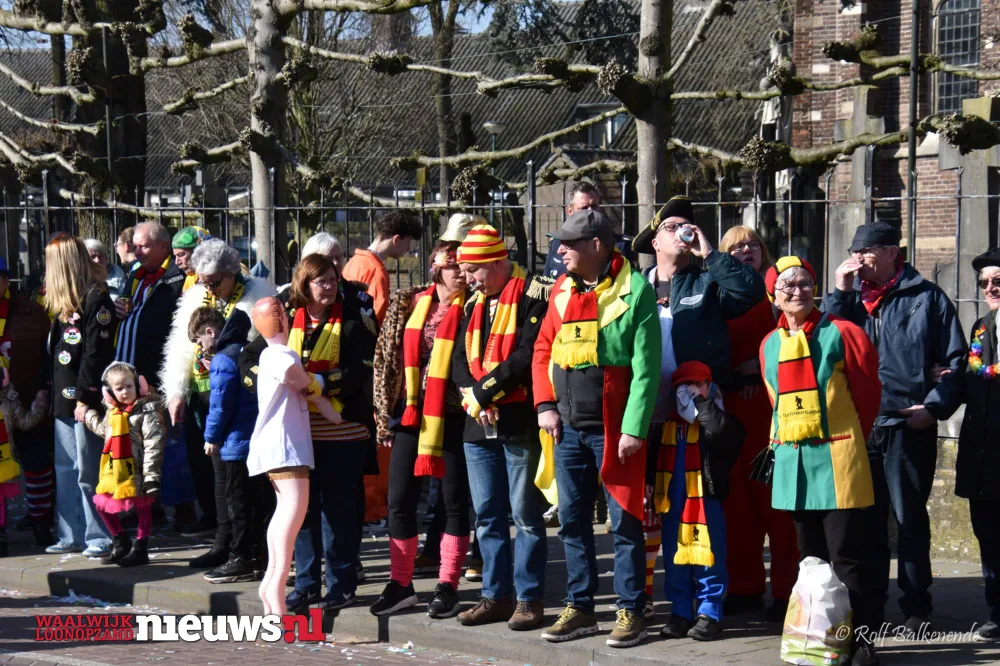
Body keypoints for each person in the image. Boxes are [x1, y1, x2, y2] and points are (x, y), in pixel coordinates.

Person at [823, 218, 967, 634]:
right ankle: (869, 609)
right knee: (864, 523)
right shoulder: (849, 299)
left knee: (909, 520)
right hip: (859, 426)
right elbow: (823, 344)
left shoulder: (927, 298)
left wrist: (933, 409)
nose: (858, 259)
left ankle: (917, 607)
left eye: (866, 251)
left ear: (891, 253)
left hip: (908, 425)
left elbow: (955, 362)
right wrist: (840, 293)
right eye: (854, 252)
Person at [532, 209, 659, 648]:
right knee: (571, 521)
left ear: (597, 246)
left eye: (569, 243)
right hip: (566, 429)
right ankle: (581, 608)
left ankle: (631, 609)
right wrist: (544, 405)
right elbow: (543, 349)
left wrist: (634, 429)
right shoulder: (562, 289)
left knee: (624, 523)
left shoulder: (636, 290)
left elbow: (646, 369)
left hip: (614, 430)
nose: (560, 250)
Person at [762, 256, 883, 666]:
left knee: (848, 557)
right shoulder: (768, 344)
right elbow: (775, 403)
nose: (798, 291)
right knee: (809, 557)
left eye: (805, 283)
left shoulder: (844, 333)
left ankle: (862, 639)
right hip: (794, 465)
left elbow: (867, 396)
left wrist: (844, 439)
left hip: (837, 461)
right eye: (788, 285)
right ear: (774, 296)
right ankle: (819, 639)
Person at [241, 254, 378, 612]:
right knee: (299, 512)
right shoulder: (285, 317)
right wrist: (273, 383)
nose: (329, 287)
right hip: (299, 433)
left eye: (333, 280)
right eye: (322, 281)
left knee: (338, 511)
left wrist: (316, 382)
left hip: (343, 429)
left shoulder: (353, 318)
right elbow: (248, 360)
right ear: (304, 283)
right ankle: (305, 584)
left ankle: (342, 585)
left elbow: (360, 370)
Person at [451, 223, 552, 631]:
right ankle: (495, 595)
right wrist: (474, 398)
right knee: (487, 515)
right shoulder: (472, 304)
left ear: (495, 263)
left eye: (473, 270)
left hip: (517, 422)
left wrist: (484, 394)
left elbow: (526, 357)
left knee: (525, 514)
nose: (468, 279)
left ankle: (529, 599)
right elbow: (458, 359)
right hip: (478, 423)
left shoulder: (534, 295)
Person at [370, 233, 472, 619]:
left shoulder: (474, 306)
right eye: (451, 264)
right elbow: (385, 358)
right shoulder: (408, 303)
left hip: (453, 414)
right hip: (410, 412)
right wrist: (383, 412)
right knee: (400, 499)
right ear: (435, 268)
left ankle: (448, 585)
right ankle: (400, 584)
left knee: (453, 501)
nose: (460, 272)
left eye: (464, 265)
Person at [159, 239, 275, 542]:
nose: (209, 289)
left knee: (235, 473)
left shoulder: (257, 296)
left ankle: (241, 536)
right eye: (204, 282)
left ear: (231, 273)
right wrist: (176, 392)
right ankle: (216, 523)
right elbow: (180, 347)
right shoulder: (196, 296)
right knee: (204, 465)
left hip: (238, 397)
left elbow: (264, 347)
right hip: (202, 394)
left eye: (214, 282)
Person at [717, 225, 798, 619]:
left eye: (752, 244)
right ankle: (744, 587)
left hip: (769, 413)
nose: (746, 250)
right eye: (737, 247)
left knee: (776, 507)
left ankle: (785, 591)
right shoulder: (716, 291)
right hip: (728, 409)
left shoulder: (776, 290)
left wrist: (758, 365)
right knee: (737, 508)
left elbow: (795, 340)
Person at [247, 297, 333, 615]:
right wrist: (321, 389)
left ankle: (272, 581)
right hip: (286, 446)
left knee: (285, 512)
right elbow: (300, 379)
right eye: (280, 313)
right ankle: (276, 584)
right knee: (293, 512)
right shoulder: (280, 355)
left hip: (280, 445)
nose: (282, 316)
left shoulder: (269, 354)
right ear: (282, 320)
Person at [648, 361, 742, 641]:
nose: (689, 390)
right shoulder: (666, 424)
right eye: (683, 386)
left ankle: (709, 612)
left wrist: (700, 402)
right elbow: (653, 460)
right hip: (673, 501)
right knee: (675, 556)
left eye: (697, 384)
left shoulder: (717, 419)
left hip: (705, 501)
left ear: (710, 386)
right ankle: (680, 611)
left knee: (709, 554)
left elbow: (720, 431)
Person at [44, 235, 118, 558]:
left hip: (85, 402)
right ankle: (70, 533)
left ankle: (100, 535)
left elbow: (95, 355)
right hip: (63, 399)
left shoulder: (96, 299)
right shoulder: (66, 305)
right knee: (65, 468)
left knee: (88, 469)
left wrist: (85, 400)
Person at [194, 308, 275, 584]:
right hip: (258, 441)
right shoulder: (248, 352)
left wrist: (211, 437)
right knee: (260, 504)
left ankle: (241, 557)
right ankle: (261, 557)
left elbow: (219, 405)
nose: (200, 347)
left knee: (238, 504)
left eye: (199, 340)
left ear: (210, 332)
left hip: (235, 444)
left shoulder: (222, 359)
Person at [955, 247, 1000, 641]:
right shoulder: (981, 328)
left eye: (998, 281)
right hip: (983, 451)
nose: (990, 288)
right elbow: (974, 378)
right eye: (984, 282)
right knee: (988, 535)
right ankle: (997, 611)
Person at [81, 362, 164, 567]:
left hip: (139, 470)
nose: (125, 392)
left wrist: (151, 476)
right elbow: (104, 430)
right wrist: (88, 414)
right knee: (102, 505)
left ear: (138, 385)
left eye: (129, 386)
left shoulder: (147, 410)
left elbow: (154, 444)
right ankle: (120, 542)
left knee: (142, 508)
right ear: (109, 393)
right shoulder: (113, 412)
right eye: (119, 388)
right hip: (115, 472)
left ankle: (141, 548)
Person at [0, 256, 57, 547]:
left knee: (37, 464)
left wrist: (43, 391)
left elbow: (49, 354)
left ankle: (41, 522)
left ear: (5, 281)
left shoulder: (30, 312)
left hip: (28, 401)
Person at [114, 221, 186, 392]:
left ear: (163, 246)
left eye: (144, 246)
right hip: (123, 374)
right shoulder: (135, 275)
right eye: (135, 247)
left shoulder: (178, 277)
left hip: (153, 377)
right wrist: (116, 308)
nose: (137, 252)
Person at [0, 367, 50, 556]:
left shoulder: (9, 400)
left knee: (1, 498)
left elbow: (24, 422)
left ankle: (1, 532)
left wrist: (39, 405)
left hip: (4, 458)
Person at [343, 210, 422, 325]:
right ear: (396, 239)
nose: (409, 248)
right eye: (408, 242)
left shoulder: (353, 261)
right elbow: (376, 317)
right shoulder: (378, 271)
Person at [171, 226, 213, 292]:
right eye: (175, 256)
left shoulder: (223, 278)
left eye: (181, 255)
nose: (177, 262)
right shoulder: (190, 280)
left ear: (201, 252)